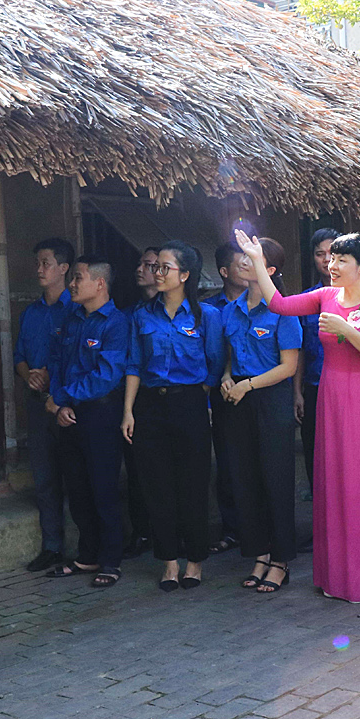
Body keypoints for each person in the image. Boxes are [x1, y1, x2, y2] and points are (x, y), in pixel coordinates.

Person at [237, 228, 360, 603]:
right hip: (329, 393)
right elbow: (279, 304)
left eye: (341, 260)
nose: (332, 265)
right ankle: (335, 577)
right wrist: (258, 262)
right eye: (331, 258)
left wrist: (346, 330)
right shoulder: (325, 296)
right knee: (331, 480)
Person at [122, 241, 225, 592]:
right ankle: (168, 562)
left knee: (193, 483)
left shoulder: (207, 316)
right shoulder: (142, 315)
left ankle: (194, 560)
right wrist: (128, 412)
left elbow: (214, 365)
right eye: (156, 267)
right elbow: (134, 364)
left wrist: (201, 402)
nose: (157, 273)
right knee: (157, 485)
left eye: (165, 267)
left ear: (185, 275)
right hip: (150, 406)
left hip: (190, 404)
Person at [219, 237, 302, 593]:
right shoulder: (231, 309)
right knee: (245, 480)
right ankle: (259, 554)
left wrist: (248, 385)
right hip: (238, 398)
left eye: (252, 257)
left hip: (270, 397)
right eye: (242, 255)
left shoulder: (284, 310)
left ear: (269, 270)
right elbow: (229, 355)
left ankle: (280, 560)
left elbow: (288, 367)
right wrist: (227, 377)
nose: (243, 261)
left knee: (275, 480)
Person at [43, 257, 130, 587]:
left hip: (100, 414)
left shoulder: (116, 324)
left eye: (78, 278)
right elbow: (56, 362)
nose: (72, 284)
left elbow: (106, 376)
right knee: (77, 489)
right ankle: (87, 556)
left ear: (100, 283)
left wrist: (64, 397)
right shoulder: (72, 318)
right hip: (68, 413)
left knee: (103, 489)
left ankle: (111, 560)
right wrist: (59, 403)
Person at [15, 237, 75, 573]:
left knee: (77, 474)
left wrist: (50, 375)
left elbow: (77, 356)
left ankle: (87, 547)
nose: (39, 269)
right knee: (44, 477)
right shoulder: (31, 313)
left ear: (63, 268)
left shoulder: (75, 310)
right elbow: (19, 356)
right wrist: (30, 377)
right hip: (38, 403)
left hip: (67, 403)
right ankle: (52, 547)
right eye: (38, 263)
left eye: (46, 263)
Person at [205, 242, 249, 556]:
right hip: (221, 393)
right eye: (240, 264)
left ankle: (260, 528)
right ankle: (232, 529)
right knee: (228, 463)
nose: (247, 268)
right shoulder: (210, 309)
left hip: (258, 390)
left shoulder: (265, 302)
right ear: (224, 272)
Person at [121, 247, 160, 560]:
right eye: (140, 263)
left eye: (148, 265)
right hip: (140, 397)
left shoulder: (188, 312)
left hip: (173, 397)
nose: (140, 269)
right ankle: (142, 531)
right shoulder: (130, 314)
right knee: (137, 469)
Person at [295, 228, 339, 489]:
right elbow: (300, 350)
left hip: (347, 389)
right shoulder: (308, 299)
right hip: (314, 386)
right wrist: (297, 392)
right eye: (319, 254)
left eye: (332, 253)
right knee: (314, 451)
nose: (326, 259)